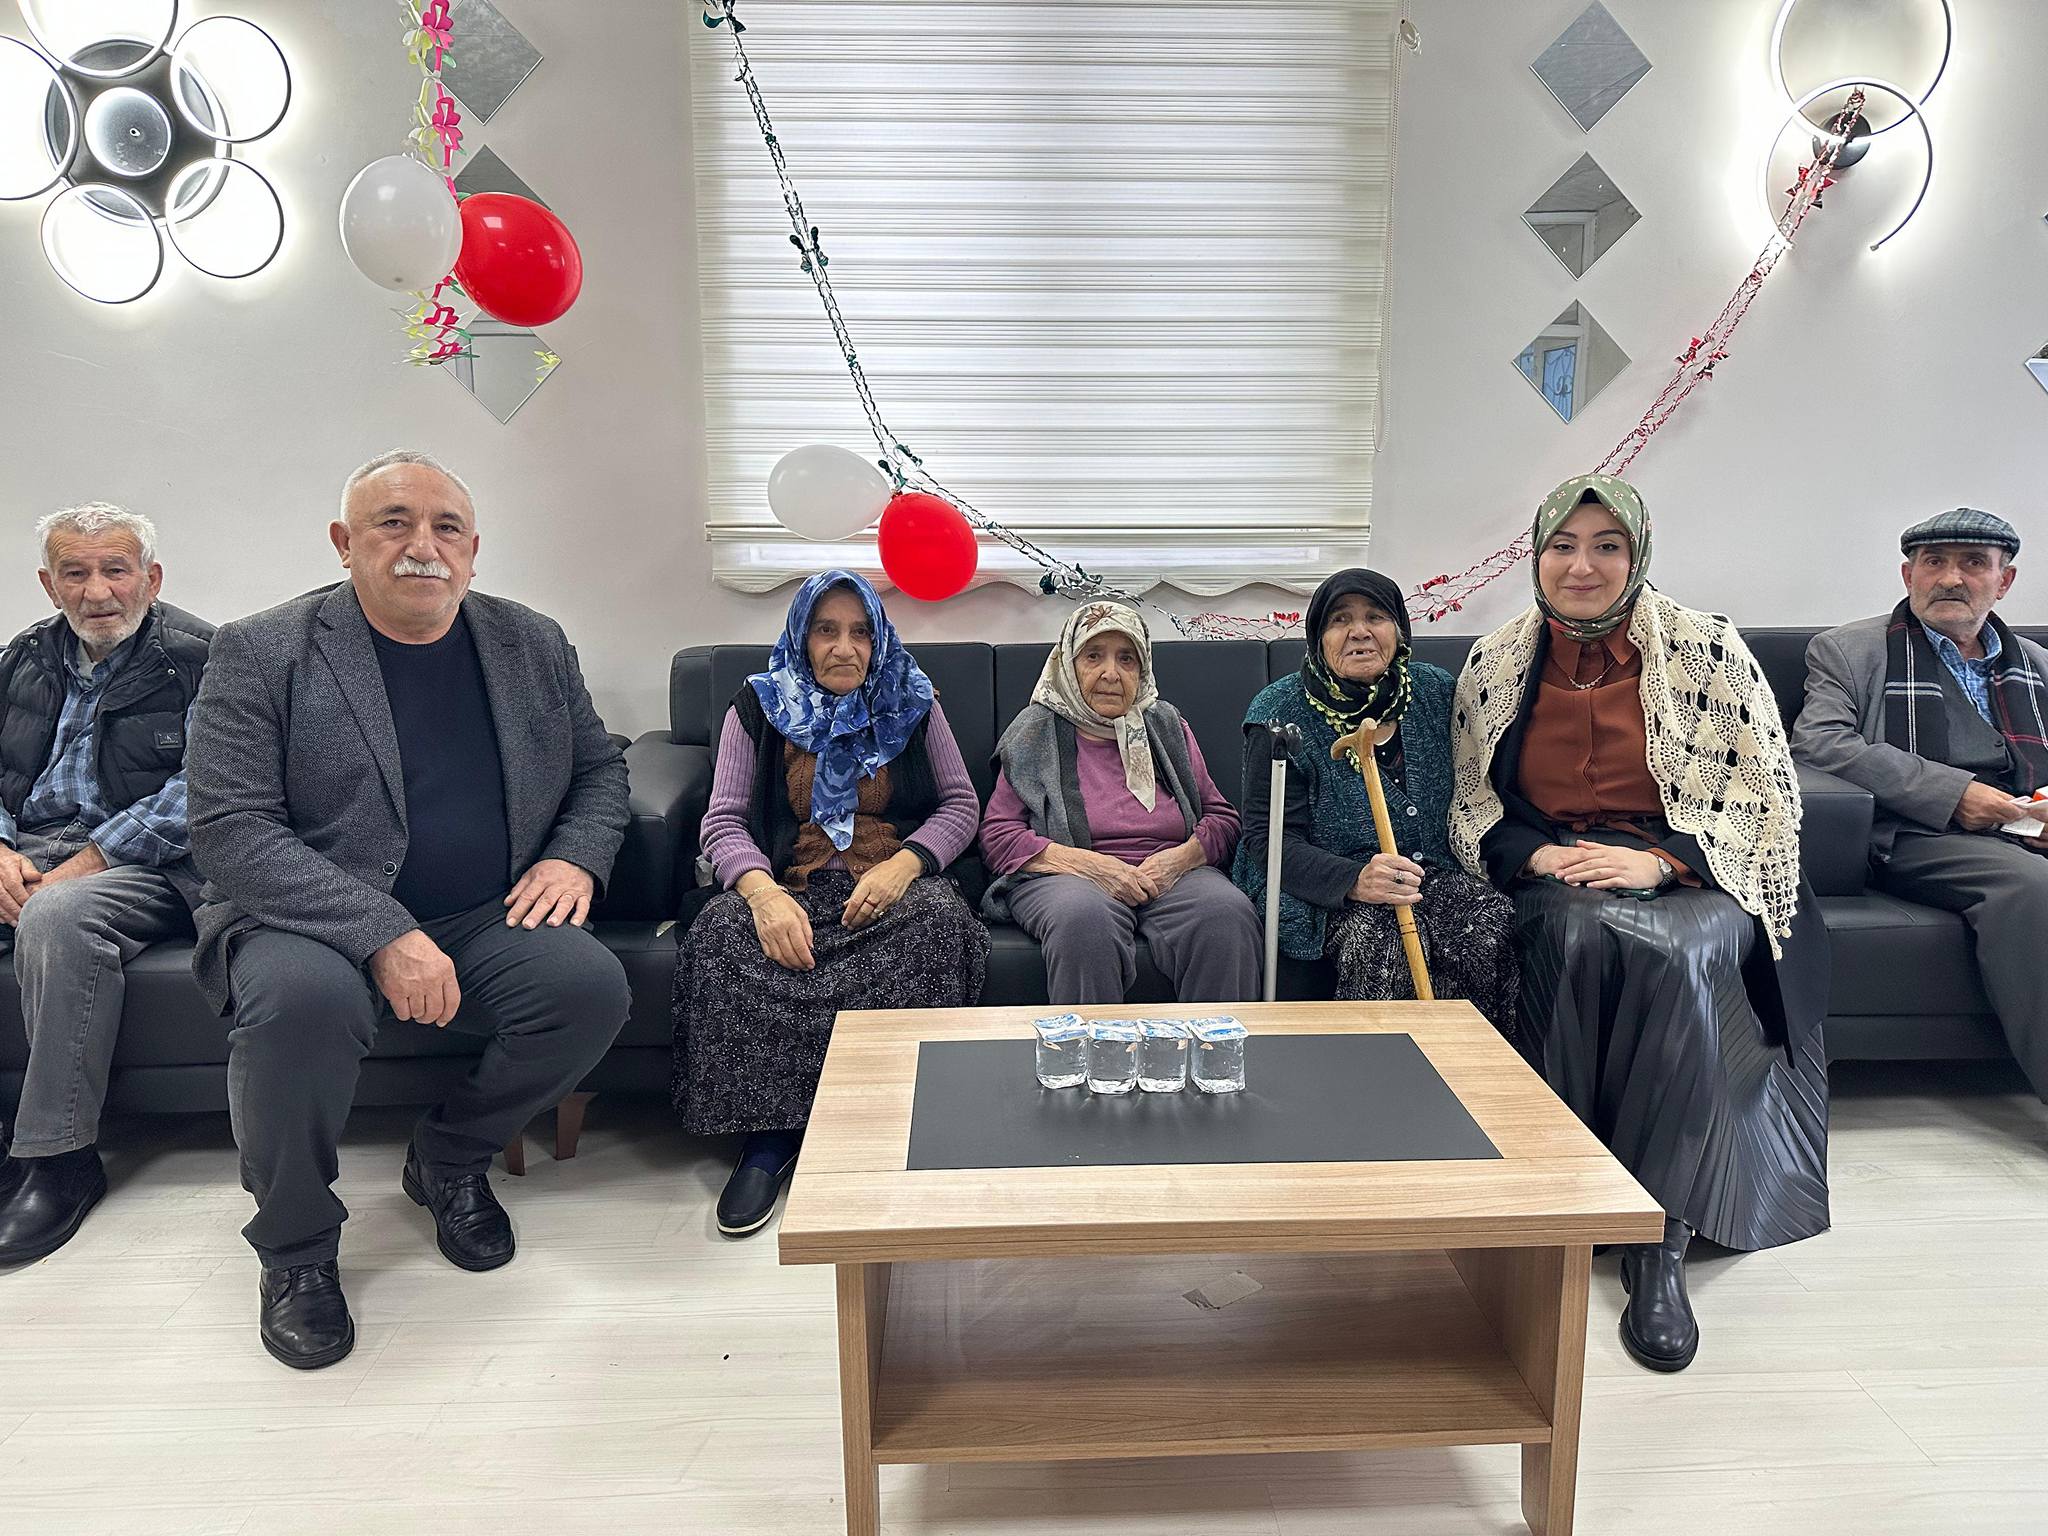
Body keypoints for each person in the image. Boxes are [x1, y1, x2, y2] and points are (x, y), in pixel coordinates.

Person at [187, 450, 631, 1370]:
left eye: (446, 527)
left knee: (589, 988)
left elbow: (600, 768)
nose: (422, 544)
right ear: (344, 542)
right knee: (302, 1004)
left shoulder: (531, 641)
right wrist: (383, 930)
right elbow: (230, 828)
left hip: (480, 910)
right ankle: (297, 1249)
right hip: (304, 917)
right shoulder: (261, 650)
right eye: (393, 522)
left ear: (473, 550)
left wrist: (574, 855)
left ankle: (450, 1156)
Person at [1450, 473, 1829, 1374]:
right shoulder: (1494, 662)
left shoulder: (1707, 649)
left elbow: (1768, 803)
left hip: (1696, 868)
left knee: (1671, 951)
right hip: (1561, 866)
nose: (1581, 567)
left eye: (1606, 546)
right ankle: (1564, 1197)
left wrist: (1660, 863)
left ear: (1638, 554)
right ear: (1536, 557)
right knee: (1572, 937)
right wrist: (1536, 859)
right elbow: (1473, 803)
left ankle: (1662, 1235)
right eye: (1563, 547)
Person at [672, 570, 987, 1238]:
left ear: (878, 640)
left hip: (890, 893)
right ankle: (771, 1136)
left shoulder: (913, 700)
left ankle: (888, 1123)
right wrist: (761, 894)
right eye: (826, 630)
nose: (845, 647)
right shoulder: (756, 706)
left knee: (940, 921)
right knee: (720, 933)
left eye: (860, 632)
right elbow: (723, 820)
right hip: (790, 887)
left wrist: (906, 865)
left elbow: (961, 805)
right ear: (802, 637)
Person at [0, 503, 212, 1266]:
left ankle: (59, 1161)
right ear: (48, 584)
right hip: (28, 852)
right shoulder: (22, 659)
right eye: (76, 573)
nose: (97, 592)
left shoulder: (204, 659)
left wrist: (80, 865)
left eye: (116, 570)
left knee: (56, 915)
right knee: (44, 901)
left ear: (151, 577)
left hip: (144, 865)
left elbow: (204, 789)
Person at [1793, 508, 2048, 1101]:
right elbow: (1820, 743)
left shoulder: (2037, 664)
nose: (1951, 578)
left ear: (2004, 581)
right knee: (2031, 887)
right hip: (1918, 834)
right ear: (1909, 575)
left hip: (2026, 826)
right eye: (1934, 562)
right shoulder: (1848, 650)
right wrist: (1953, 794)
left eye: (1974, 563)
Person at [1233, 570, 1516, 1031]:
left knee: (1487, 920)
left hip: (1430, 873)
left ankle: (1472, 1063)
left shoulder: (1436, 692)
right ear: (1318, 637)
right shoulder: (1278, 712)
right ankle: (1375, 1067)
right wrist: (1354, 879)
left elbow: (1481, 783)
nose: (1359, 631)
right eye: (1340, 620)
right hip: (1325, 888)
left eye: (1376, 617)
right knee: (1382, 941)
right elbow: (1268, 840)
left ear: (1399, 631)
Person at [981, 601, 1259, 1004]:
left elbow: (1222, 819)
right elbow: (998, 836)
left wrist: (1177, 862)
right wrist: (1093, 867)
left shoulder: (1166, 725)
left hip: (1171, 875)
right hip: (1069, 878)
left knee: (1227, 915)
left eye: (1126, 659)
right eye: (1093, 656)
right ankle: (1091, 1048)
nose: (1111, 673)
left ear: (1141, 669)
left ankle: (1213, 1047)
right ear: (1069, 664)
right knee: (1083, 921)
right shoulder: (1034, 730)